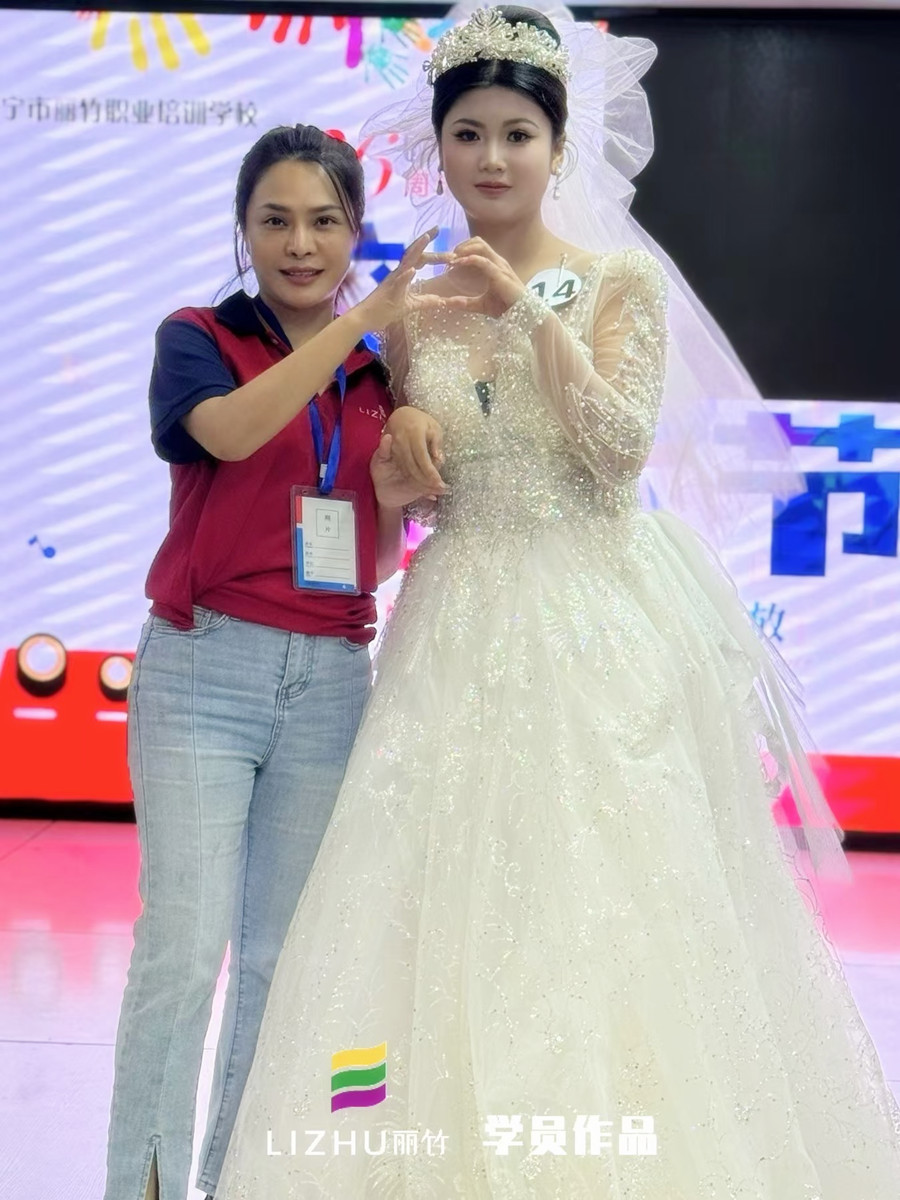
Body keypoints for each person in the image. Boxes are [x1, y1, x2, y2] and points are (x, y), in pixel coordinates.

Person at [213, 9, 900, 1197]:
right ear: (437, 146)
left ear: (557, 144)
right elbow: (402, 496)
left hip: (590, 621)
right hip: (451, 617)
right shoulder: (413, 301)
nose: (492, 158)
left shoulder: (619, 279)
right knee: (426, 899)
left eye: (517, 134)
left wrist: (530, 313)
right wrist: (401, 442)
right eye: (469, 133)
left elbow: (619, 450)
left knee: (607, 904)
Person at [103, 124, 452, 1200]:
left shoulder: (376, 375)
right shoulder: (199, 336)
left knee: (276, 960)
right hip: (202, 672)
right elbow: (231, 435)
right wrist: (360, 321)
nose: (301, 244)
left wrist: (393, 501)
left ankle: (231, 1180)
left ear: (354, 229)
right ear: (244, 229)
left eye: (324, 222)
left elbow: (367, 560)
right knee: (183, 948)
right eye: (276, 221)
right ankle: (144, 1187)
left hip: (330, 681)